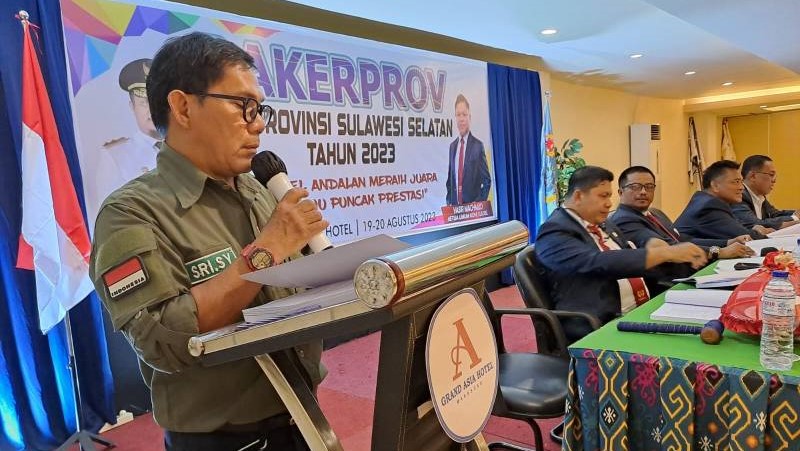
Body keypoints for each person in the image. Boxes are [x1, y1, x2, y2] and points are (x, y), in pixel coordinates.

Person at [89, 33, 328, 451]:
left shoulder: (259, 191)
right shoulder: (130, 213)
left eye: (259, 108)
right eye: (242, 106)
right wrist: (267, 251)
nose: (258, 123)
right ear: (183, 107)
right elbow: (163, 341)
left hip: (304, 417)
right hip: (222, 441)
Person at [535, 166, 707, 341]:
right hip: (599, 324)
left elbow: (631, 258)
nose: (609, 203)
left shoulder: (604, 225)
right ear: (579, 196)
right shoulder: (554, 231)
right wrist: (664, 253)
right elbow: (597, 262)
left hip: (641, 310)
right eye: (603, 196)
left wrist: (686, 270)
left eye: (609, 196)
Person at [610, 166, 754, 294]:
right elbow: (667, 248)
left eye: (649, 186)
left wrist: (727, 242)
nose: (643, 192)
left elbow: (683, 240)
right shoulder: (624, 219)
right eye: (635, 187)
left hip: (695, 273)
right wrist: (718, 251)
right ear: (620, 192)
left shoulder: (654, 214)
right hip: (672, 284)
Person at [85, 58, 163, 229]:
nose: (151, 110)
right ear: (132, 107)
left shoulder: (186, 149)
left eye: (156, 102)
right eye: (144, 103)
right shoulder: (115, 156)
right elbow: (107, 218)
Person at [675, 160, 771, 240]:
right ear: (715, 185)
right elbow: (744, 236)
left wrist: (754, 228)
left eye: (741, 182)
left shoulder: (704, 199)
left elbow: (735, 227)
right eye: (736, 182)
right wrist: (760, 233)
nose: (741, 187)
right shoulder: (709, 206)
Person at [445, 94, 492, 205]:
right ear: (455, 118)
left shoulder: (478, 146)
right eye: (458, 115)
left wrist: (477, 204)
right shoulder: (452, 147)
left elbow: (486, 181)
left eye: (464, 114)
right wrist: (449, 201)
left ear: (469, 117)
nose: (461, 119)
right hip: (455, 209)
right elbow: (450, 181)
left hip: (472, 210)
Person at [732, 154, 799, 230]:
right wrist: (795, 217)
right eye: (771, 175)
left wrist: (796, 213)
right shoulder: (738, 195)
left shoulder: (759, 196)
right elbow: (755, 223)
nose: (774, 180)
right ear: (753, 176)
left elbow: (774, 214)